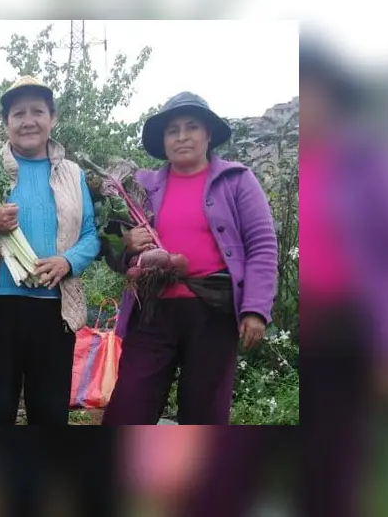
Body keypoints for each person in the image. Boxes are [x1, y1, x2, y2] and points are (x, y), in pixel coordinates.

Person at [100, 91, 278, 425]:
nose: (182, 137)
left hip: (211, 311)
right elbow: (109, 246)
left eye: (192, 127)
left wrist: (256, 309)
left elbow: (263, 245)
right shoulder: (140, 186)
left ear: (208, 134)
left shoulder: (237, 180)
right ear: (163, 140)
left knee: (204, 412)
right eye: (172, 130)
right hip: (152, 312)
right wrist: (126, 243)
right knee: (129, 405)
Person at [0, 76, 101, 426]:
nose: (28, 120)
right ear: (6, 123)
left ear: (52, 118)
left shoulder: (73, 175)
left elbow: (91, 235)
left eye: (37, 111)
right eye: (18, 113)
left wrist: (68, 261)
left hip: (55, 311)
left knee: (50, 412)